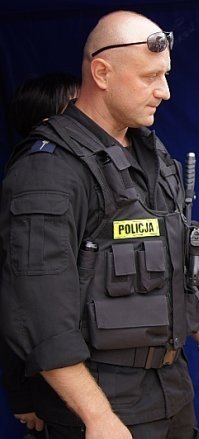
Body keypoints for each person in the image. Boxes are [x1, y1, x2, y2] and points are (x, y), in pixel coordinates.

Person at [0, 11, 199, 438]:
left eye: (165, 75)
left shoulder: (152, 153)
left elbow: (181, 266)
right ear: (102, 73)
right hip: (104, 407)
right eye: (149, 77)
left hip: (173, 391)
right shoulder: (49, 169)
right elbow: (39, 311)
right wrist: (96, 416)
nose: (164, 91)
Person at [1, 72, 81, 438]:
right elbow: (19, 304)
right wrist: (22, 397)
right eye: (74, 106)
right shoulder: (32, 179)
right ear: (46, 118)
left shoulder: (84, 177)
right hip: (47, 388)